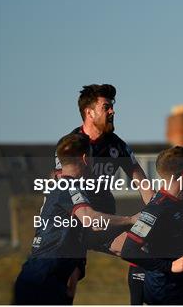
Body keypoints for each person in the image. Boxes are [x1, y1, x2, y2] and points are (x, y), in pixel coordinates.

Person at [55, 84, 154, 303]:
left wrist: (158, 210)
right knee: (68, 283)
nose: (112, 111)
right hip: (74, 225)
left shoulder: (117, 146)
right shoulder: (70, 145)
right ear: (89, 112)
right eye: (106, 106)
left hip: (105, 223)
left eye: (112, 106)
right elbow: (57, 185)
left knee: (144, 250)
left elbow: (142, 184)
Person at [14, 133, 137, 304]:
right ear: (85, 159)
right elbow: (90, 218)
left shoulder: (58, 186)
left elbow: (85, 231)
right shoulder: (69, 187)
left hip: (37, 276)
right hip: (44, 279)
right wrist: (130, 220)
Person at [119, 146, 183, 304]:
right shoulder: (157, 209)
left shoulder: (179, 201)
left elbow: (177, 230)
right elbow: (128, 251)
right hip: (168, 294)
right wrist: (170, 266)